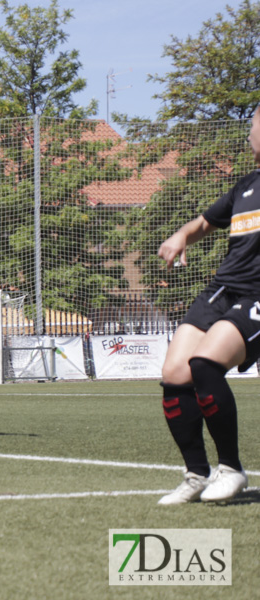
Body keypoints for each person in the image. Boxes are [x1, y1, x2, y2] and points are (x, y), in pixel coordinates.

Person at [154, 104, 260, 505]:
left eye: (253, 125)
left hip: (258, 296)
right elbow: (202, 224)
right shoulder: (246, 186)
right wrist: (181, 236)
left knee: (204, 364)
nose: (249, 134)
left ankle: (231, 468)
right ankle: (197, 474)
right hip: (223, 289)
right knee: (175, 373)